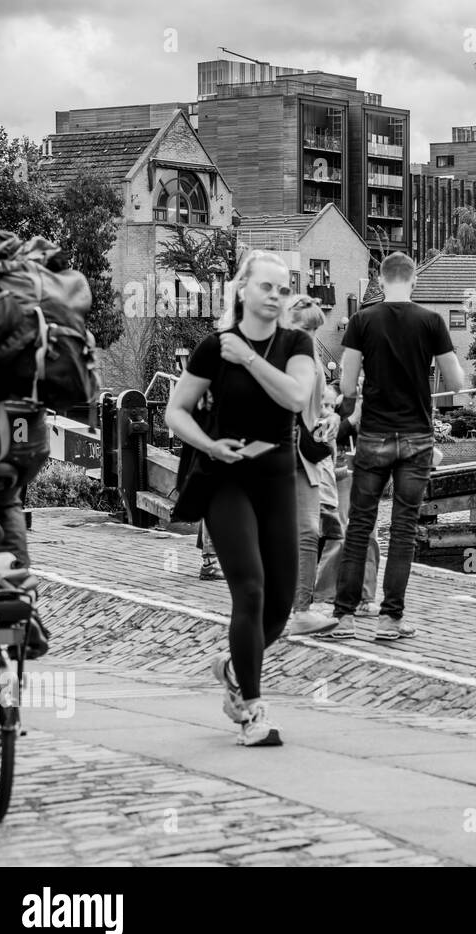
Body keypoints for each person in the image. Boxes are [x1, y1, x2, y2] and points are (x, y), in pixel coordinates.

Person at [164, 250, 318, 747]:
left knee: (280, 605)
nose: (275, 296)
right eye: (266, 287)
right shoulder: (214, 347)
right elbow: (176, 412)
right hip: (226, 478)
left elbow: (296, 398)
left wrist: (249, 358)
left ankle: (234, 664)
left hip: (277, 477)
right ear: (242, 289)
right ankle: (251, 711)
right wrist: (209, 445)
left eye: (283, 289)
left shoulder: (296, 343)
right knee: (249, 590)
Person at [329, 253, 469, 640]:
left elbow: (345, 386)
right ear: (414, 282)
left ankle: (344, 617)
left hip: (373, 434)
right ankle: (391, 619)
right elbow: (457, 383)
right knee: (404, 529)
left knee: (359, 526)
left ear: (379, 279)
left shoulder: (361, 321)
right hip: (416, 437)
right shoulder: (431, 322)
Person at [283, 295, 340, 637]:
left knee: (308, 531)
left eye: (315, 329)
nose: (311, 335)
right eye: (306, 327)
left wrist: (330, 417)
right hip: (276, 449)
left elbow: (315, 407)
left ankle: (301, 611)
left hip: (304, 452)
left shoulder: (312, 360)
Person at [312, 397, 380, 613]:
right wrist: (351, 417)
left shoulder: (377, 394)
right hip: (340, 471)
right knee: (337, 534)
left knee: (369, 535)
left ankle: (366, 597)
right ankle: (325, 595)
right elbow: (327, 434)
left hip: (367, 466)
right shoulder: (336, 397)